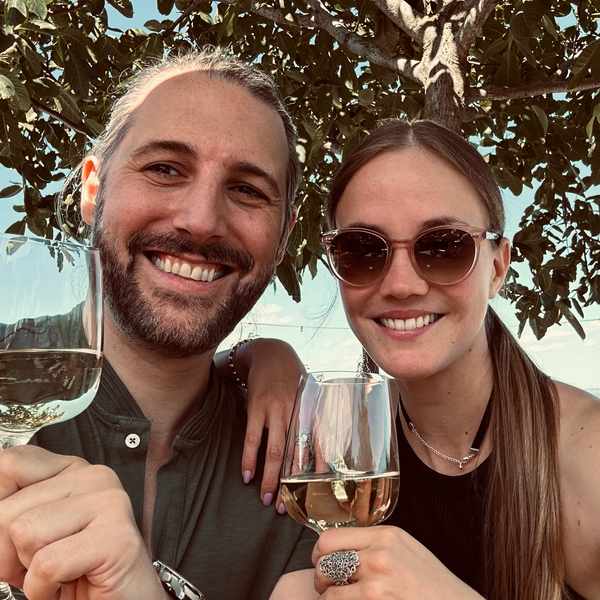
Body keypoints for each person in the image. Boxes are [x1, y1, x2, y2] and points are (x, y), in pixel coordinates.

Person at [0, 49, 320, 600]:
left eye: (247, 189)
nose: (200, 220)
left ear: (285, 234)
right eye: (165, 169)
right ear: (93, 189)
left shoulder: (301, 472)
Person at [236, 120, 600, 599]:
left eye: (444, 247)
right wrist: (261, 353)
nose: (401, 284)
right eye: (362, 250)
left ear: (496, 268)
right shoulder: (352, 438)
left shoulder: (586, 457)